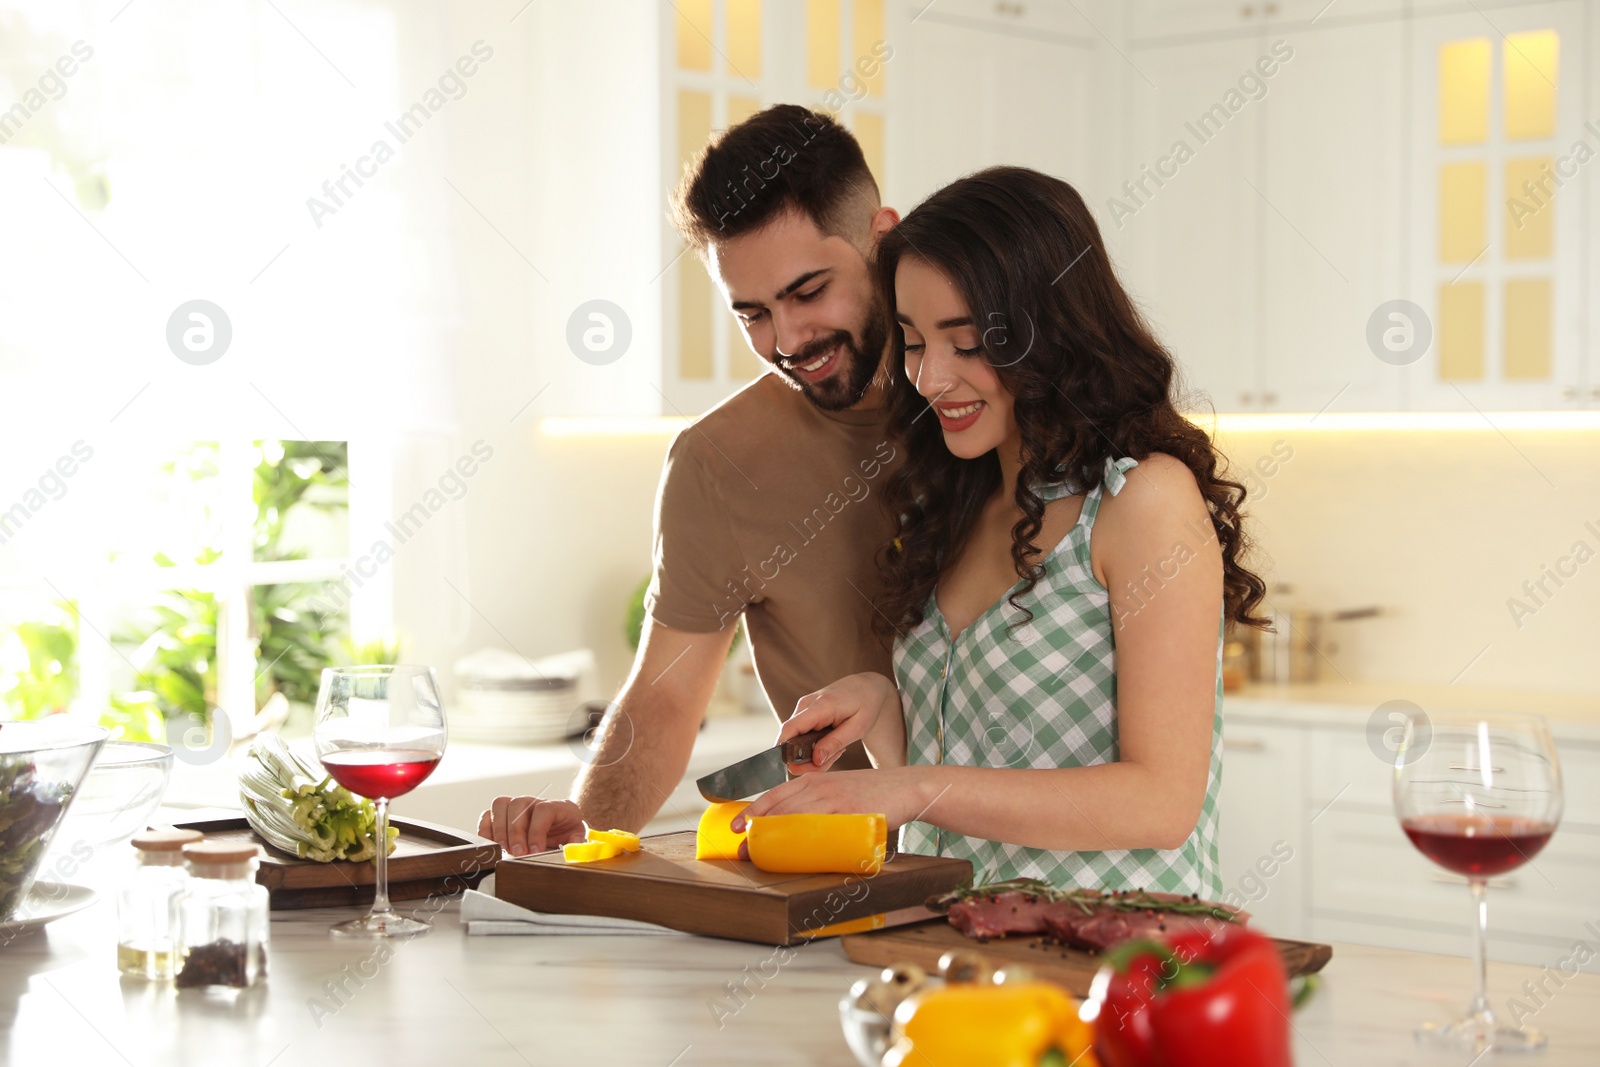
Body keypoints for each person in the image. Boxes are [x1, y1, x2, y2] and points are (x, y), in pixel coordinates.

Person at [735, 167, 1270, 896]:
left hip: (1115, 964)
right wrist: (885, 707)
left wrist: (912, 789)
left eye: (966, 342)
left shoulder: (1141, 501)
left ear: (1050, 333)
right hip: (960, 946)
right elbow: (957, 785)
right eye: (916, 341)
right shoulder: (960, 499)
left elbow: (1162, 802)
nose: (930, 379)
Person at [478, 105, 904, 855]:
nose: (788, 340)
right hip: (855, 874)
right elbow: (667, 696)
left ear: (884, 237)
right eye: (753, 313)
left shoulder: (984, 403)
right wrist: (590, 829)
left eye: (808, 291)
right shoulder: (719, 462)